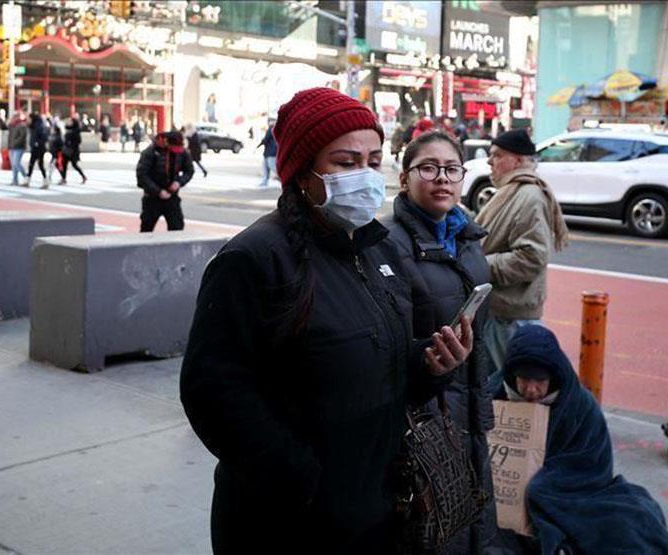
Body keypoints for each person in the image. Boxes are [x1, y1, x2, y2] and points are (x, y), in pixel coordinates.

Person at [179, 87, 474, 554]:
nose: (365, 176)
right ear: (302, 172)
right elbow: (214, 393)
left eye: (374, 161)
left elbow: (382, 364)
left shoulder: (377, 247)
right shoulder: (253, 259)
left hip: (376, 510)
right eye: (345, 161)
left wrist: (431, 365)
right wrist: (303, 479)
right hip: (286, 522)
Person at [383, 130, 496, 554]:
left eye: (451, 169)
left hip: (468, 405)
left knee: (471, 512)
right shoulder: (388, 244)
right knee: (431, 522)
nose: (442, 179)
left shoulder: (468, 240)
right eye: (428, 168)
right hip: (424, 412)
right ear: (404, 178)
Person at [490, 325, 668, 555]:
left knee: (627, 524)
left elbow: (592, 463)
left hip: (570, 489)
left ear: (552, 376)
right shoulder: (494, 392)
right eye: (524, 380)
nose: (531, 390)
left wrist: (542, 482)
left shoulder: (580, 405)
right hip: (510, 493)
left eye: (540, 381)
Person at [474, 129, 569, 375]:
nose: (489, 161)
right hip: (501, 313)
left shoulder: (529, 196)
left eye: (496, 155)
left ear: (517, 160)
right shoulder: (513, 192)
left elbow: (531, 257)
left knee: (505, 388)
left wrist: (479, 265)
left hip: (510, 317)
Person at [136, 130, 194, 232]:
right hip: (152, 197)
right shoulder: (151, 152)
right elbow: (142, 175)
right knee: (147, 228)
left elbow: (189, 170)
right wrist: (158, 191)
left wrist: (179, 182)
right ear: (166, 142)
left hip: (172, 196)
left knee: (177, 227)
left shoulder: (182, 152)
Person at [60, 117, 87, 184]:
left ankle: (83, 176)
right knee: (64, 164)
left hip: (73, 150)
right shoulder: (67, 129)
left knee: (74, 165)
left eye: (70, 121)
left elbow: (78, 141)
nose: (69, 123)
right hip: (66, 149)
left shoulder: (76, 130)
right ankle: (63, 178)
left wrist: (71, 144)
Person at [7, 109, 29, 187]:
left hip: (19, 147)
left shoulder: (22, 125)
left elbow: (22, 137)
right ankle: (15, 180)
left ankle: (25, 176)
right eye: (14, 115)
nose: (15, 117)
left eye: (17, 115)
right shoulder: (12, 125)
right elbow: (3, 126)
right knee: (13, 164)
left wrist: (14, 143)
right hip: (11, 147)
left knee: (16, 163)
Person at [27, 113, 49, 189]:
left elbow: (44, 137)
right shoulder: (33, 126)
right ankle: (28, 180)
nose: (28, 120)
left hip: (39, 148)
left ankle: (45, 181)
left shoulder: (39, 126)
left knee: (36, 164)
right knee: (34, 164)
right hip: (35, 147)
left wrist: (37, 143)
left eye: (29, 118)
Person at [257, 117, 277, 187]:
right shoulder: (272, 129)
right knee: (265, 167)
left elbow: (266, 139)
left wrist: (260, 144)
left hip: (271, 152)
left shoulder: (272, 129)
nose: (270, 122)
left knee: (272, 166)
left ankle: (282, 178)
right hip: (268, 152)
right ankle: (264, 181)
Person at [47, 118, 64, 184]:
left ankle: (50, 177)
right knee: (55, 165)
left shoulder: (57, 137)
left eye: (53, 129)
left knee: (54, 165)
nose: (51, 130)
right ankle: (50, 177)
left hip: (57, 154)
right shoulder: (54, 136)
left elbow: (59, 147)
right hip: (54, 154)